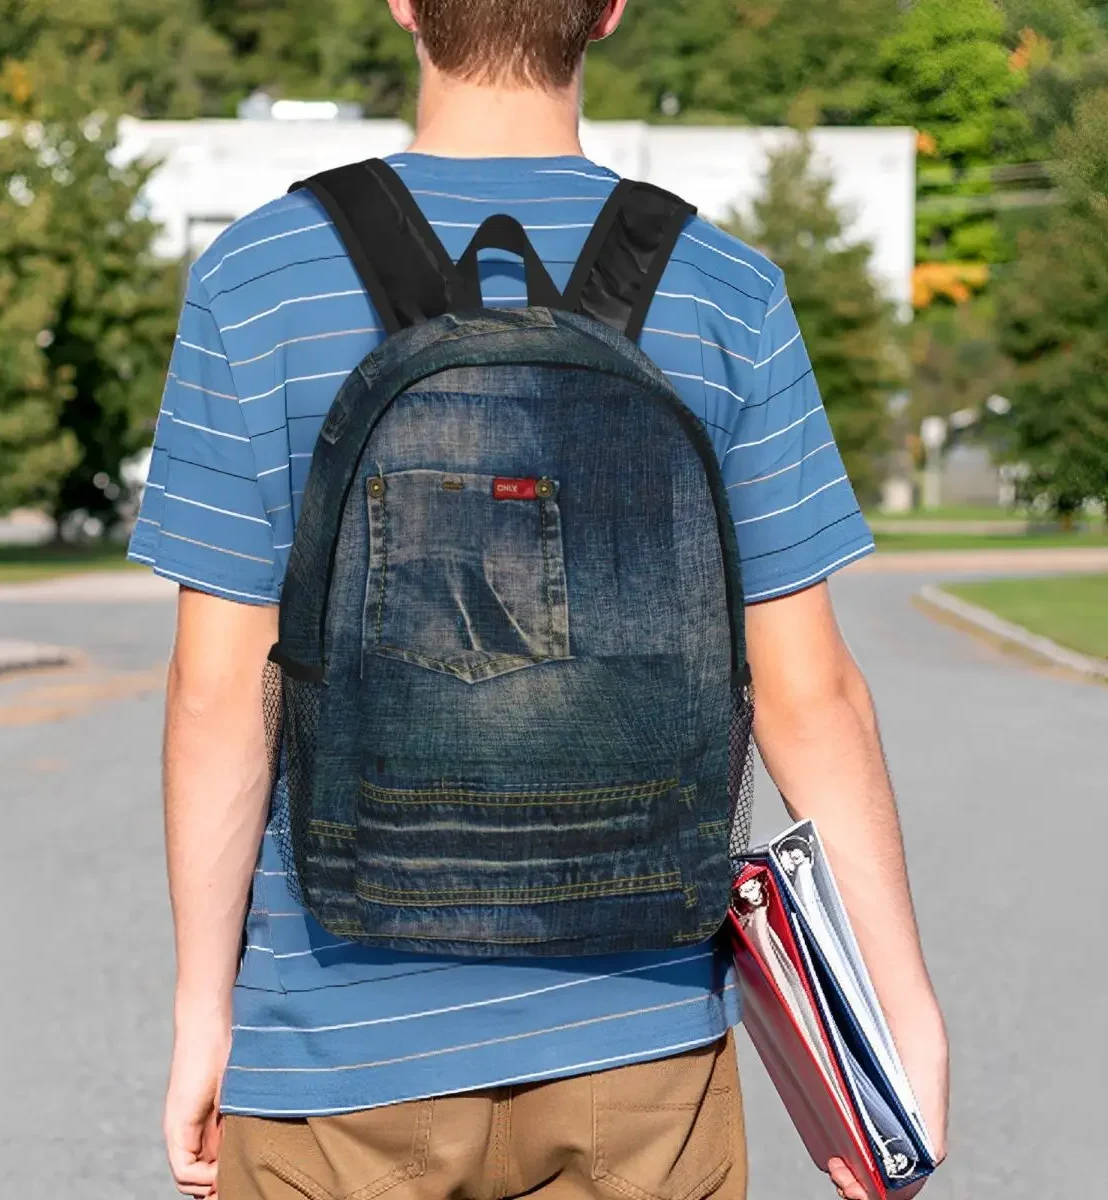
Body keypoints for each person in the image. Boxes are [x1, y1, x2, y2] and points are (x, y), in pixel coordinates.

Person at [129, 3, 949, 1198]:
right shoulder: (726, 290)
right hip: (642, 1042)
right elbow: (808, 694)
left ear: (405, 3)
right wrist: (895, 1010)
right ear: (609, 9)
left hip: (336, 1047)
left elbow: (217, 690)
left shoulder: (259, 281)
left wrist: (207, 1011)